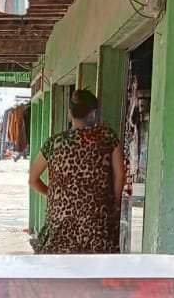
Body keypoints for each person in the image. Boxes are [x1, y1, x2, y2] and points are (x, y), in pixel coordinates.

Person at [29, 88, 125, 253]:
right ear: (93, 114)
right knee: (99, 266)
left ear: (69, 114)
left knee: (61, 267)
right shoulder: (108, 137)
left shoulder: (54, 143)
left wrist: (54, 196)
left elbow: (33, 180)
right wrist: (114, 204)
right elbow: (120, 175)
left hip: (60, 221)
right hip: (97, 221)